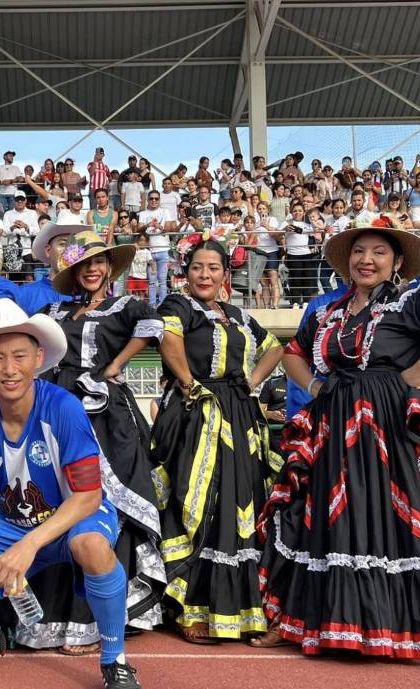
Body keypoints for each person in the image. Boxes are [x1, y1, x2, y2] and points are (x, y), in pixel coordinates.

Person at [255, 218, 420, 659]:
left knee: (389, 517)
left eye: (378, 252)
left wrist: (419, 371)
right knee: (329, 516)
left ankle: (398, 627)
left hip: (390, 425)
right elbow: (293, 353)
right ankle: (318, 621)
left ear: (397, 262)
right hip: (334, 421)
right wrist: (314, 388)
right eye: (359, 252)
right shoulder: (330, 311)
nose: (366, 260)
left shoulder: (413, 299)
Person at [0, 298, 143, 689]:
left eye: (20, 356)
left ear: (38, 357)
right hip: (15, 522)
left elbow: (89, 496)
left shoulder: (63, 407)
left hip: (75, 516)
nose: (10, 370)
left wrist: (28, 546)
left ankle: (115, 660)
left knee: (92, 546)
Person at [21, 231, 166, 655]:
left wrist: (115, 366)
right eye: (83, 264)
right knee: (57, 503)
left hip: (108, 416)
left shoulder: (125, 306)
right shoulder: (53, 309)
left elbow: (154, 326)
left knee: (108, 504)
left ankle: (103, 619)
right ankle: (57, 617)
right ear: (71, 271)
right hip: (57, 412)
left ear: (110, 268)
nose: (92, 270)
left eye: (99, 262)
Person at [150, 237, 283, 645]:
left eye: (213, 268)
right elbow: (169, 340)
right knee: (196, 502)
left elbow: (276, 348)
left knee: (241, 505)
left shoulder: (240, 315)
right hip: (195, 414)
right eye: (196, 267)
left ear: (227, 275)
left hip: (240, 418)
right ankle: (187, 606)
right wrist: (191, 386)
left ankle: (241, 609)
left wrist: (251, 383)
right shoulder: (177, 306)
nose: (204, 275)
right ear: (185, 273)